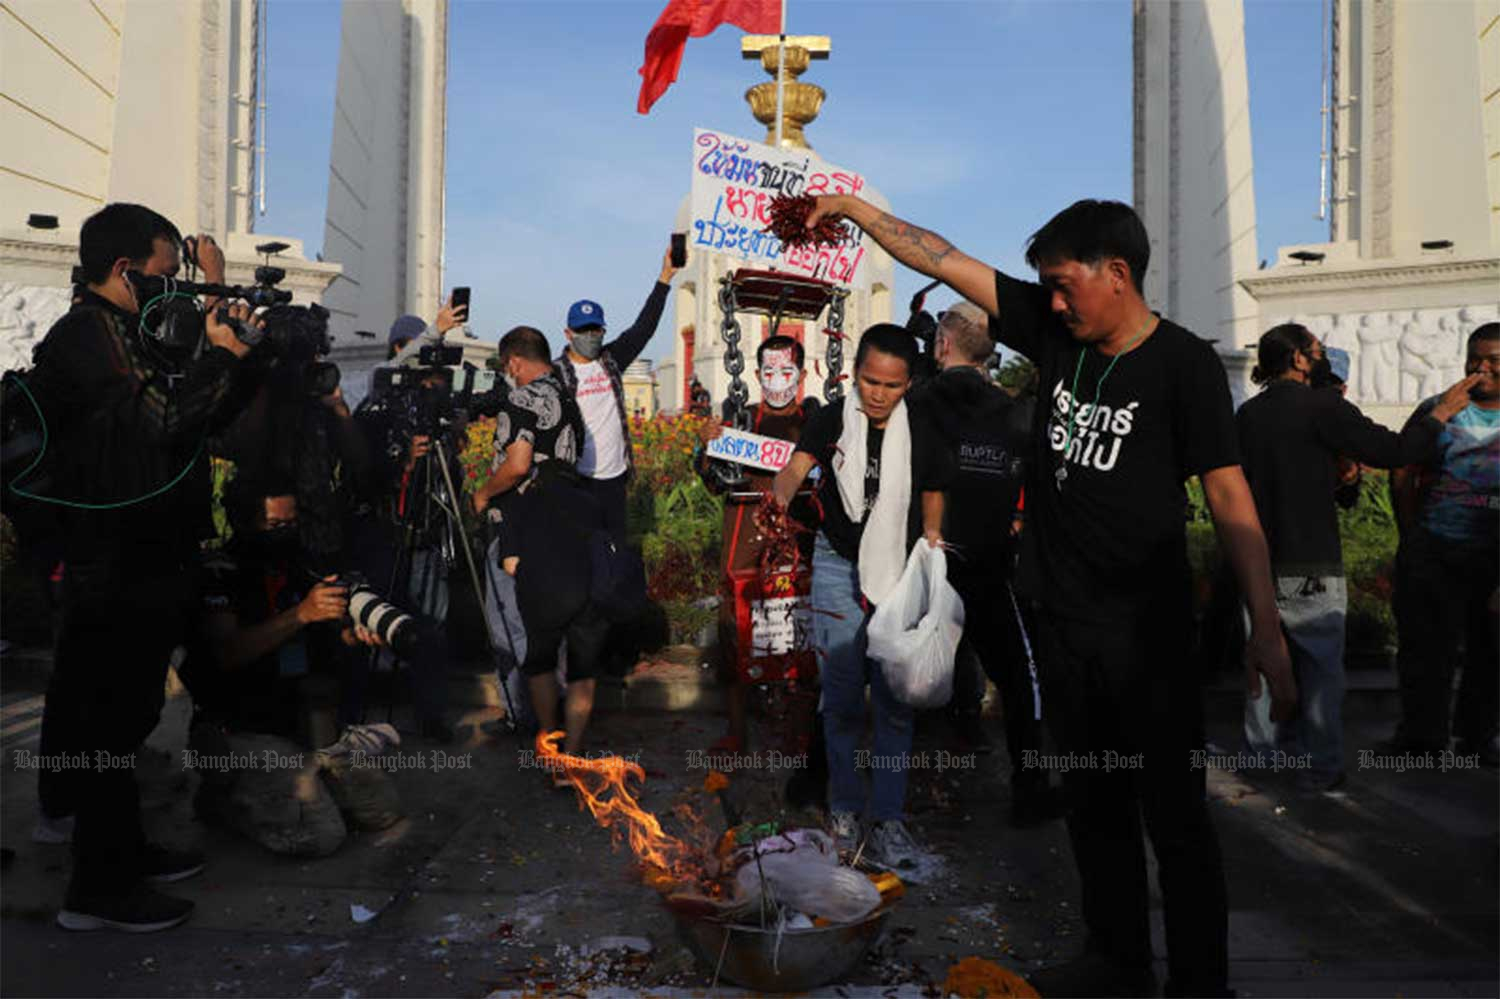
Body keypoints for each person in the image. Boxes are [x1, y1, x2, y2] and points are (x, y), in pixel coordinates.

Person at [801, 194, 1296, 997]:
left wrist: (1264, 626)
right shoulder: (1054, 329)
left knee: (1173, 816)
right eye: (1048, 290)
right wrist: (856, 209)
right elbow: (938, 255)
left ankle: (1202, 982)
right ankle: (1117, 959)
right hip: (1061, 625)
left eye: (1065, 286)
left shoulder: (1184, 367)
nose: (1054, 303)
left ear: (1118, 274)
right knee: (1091, 802)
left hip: (1148, 633)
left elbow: (1230, 497)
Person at [25, 203, 259, 932]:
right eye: (166, 274)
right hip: (114, 554)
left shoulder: (123, 330)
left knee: (125, 714)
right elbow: (158, 421)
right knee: (107, 719)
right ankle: (99, 887)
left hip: (148, 550)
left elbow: (191, 419)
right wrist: (217, 357)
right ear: (126, 270)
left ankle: (120, 852)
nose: (175, 288)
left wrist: (234, 358)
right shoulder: (89, 335)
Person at [1236, 323, 1477, 792]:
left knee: (1262, 660)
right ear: (1301, 360)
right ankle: (1322, 765)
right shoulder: (1324, 407)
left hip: (1256, 562)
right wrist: (1442, 412)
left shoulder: (1247, 414)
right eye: (1318, 350)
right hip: (1311, 562)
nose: (1324, 357)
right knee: (1321, 667)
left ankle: (1262, 760)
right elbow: (1395, 451)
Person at [771, 324, 954, 871]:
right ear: (855, 373)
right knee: (844, 697)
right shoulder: (830, 417)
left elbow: (933, 492)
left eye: (892, 386)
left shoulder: (924, 425)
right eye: (871, 381)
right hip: (835, 564)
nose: (878, 394)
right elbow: (795, 470)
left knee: (896, 703)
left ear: (908, 383)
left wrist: (931, 547)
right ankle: (846, 810)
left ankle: (890, 819)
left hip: (900, 570)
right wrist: (779, 502)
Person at [180, 473, 400, 855]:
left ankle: (296, 783)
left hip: (304, 721)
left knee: (381, 813)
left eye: (292, 522)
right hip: (240, 726)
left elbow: (328, 638)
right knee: (322, 835)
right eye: (275, 525)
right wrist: (300, 614)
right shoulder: (221, 572)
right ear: (244, 521)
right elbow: (226, 653)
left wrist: (356, 634)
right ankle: (222, 798)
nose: (286, 532)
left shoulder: (298, 565)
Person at [918, 302, 1059, 827]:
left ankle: (875, 790)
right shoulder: (1013, 412)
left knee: (895, 672)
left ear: (942, 345)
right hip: (989, 565)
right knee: (1020, 683)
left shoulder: (919, 403)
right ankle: (1029, 785)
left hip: (923, 564)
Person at [472, 326, 603, 763]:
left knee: (523, 638)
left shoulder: (521, 399)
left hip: (521, 533)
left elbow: (517, 464)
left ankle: (537, 732)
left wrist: (483, 494)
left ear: (513, 363)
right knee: (575, 652)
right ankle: (572, 750)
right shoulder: (570, 402)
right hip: (570, 535)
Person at [693, 334, 819, 754]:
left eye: (786, 371)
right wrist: (708, 445)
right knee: (737, 632)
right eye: (768, 371)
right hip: (743, 541)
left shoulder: (814, 423)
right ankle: (737, 732)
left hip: (797, 540)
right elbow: (712, 482)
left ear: (801, 375)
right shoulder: (739, 420)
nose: (776, 380)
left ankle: (800, 733)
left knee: (800, 631)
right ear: (755, 373)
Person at [1388, 323, 1500, 766]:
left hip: (1493, 557)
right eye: (1475, 358)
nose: (1481, 368)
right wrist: (1411, 531)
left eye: (1495, 361)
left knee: (1489, 652)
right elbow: (1402, 467)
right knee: (1425, 651)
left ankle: (1478, 737)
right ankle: (1423, 739)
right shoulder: (1439, 409)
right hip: (1434, 549)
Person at [555, 244, 681, 536]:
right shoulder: (556, 375)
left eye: (595, 330)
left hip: (614, 478)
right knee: (582, 551)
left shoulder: (611, 360)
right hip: (578, 479)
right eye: (582, 330)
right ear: (568, 334)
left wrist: (664, 278)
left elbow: (644, 327)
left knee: (613, 551)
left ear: (603, 331)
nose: (589, 336)